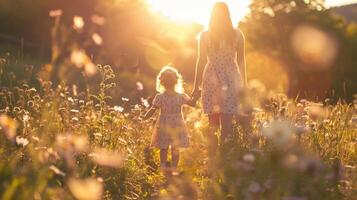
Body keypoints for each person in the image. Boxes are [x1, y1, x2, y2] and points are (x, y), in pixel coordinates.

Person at [192, 2, 248, 156]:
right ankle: (224, 159)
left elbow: (200, 61)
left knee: (213, 124)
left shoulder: (205, 35)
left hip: (212, 79)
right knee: (227, 124)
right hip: (231, 79)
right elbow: (242, 62)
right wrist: (245, 86)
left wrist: (196, 87)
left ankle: (213, 160)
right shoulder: (237, 34)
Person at [144, 66, 199, 173]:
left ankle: (165, 167)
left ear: (161, 82)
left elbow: (152, 109)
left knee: (164, 147)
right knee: (174, 147)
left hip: (164, 124)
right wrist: (197, 96)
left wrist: (145, 116)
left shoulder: (161, 97)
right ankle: (173, 168)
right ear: (176, 81)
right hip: (176, 124)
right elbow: (192, 103)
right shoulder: (180, 96)